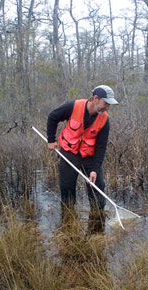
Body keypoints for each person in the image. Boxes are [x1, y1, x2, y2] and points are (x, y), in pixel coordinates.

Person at [47, 85, 119, 217]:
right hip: (69, 152)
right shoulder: (73, 106)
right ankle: (68, 221)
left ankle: (97, 220)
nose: (107, 107)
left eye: (109, 104)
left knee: (98, 189)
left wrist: (95, 169)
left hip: (90, 157)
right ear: (96, 98)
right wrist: (51, 140)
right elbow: (52, 117)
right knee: (67, 190)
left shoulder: (104, 120)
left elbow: (101, 147)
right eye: (106, 103)